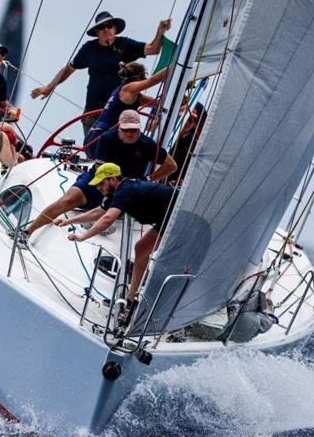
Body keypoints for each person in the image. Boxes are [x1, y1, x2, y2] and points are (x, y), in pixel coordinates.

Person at [22, 110, 176, 239]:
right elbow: (99, 168)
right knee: (68, 199)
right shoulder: (107, 138)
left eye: (134, 130)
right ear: (119, 127)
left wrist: (148, 179)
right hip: (101, 177)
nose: (130, 133)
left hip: (126, 186)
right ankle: (28, 231)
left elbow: (171, 165)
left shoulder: (147, 144)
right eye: (126, 130)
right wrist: (107, 193)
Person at [30, 11, 172, 134]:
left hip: (120, 112)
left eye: (109, 25)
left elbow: (153, 49)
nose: (105, 29)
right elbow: (69, 68)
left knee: (120, 150)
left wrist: (160, 31)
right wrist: (49, 87)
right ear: (96, 32)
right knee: (95, 151)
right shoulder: (89, 49)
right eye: (101, 27)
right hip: (93, 113)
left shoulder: (125, 44)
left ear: (115, 28)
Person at [55, 163, 176, 305]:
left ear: (113, 179)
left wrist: (83, 236)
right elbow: (97, 213)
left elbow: (107, 219)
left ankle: (154, 300)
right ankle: (131, 299)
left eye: (101, 183)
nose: (98, 188)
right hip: (169, 217)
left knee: (151, 252)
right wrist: (68, 221)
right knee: (141, 249)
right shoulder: (118, 192)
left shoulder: (125, 190)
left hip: (179, 215)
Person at [83, 62, 169, 157]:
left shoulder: (130, 93)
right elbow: (154, 80)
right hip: (99, 140)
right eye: (143, 78)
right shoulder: (128, 89)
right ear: (138, 78)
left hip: (94, 140)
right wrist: (174, 66)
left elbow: (158, 103)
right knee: (144, 147)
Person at [168, 102, 207, 185]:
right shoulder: (167, 135)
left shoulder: (193, 145)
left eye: (189, 120)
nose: (185, 122)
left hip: (173, 183)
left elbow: (196, 168)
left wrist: (184, 180)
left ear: (193, 124)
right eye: (183, 118)